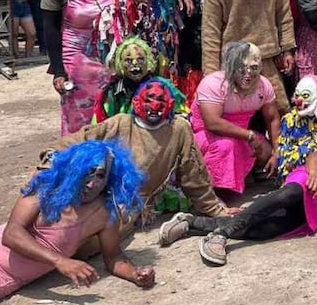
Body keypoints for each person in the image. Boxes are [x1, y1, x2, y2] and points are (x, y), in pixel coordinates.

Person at [167, 105, 317, 267]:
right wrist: (314, 173)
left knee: (269, 229)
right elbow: (316, 156)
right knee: (289, 194)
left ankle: (191, 224)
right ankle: (221, 235)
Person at [49, 78, 233, 244]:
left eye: (161, 101)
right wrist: (52, 154)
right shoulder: (121, 122)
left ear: (170, 104)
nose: (154, 106)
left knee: (89, 240)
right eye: (148, 100)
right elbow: (85, 136)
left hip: (130, 202)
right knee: (56, 215)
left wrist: (215, 209)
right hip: (96, 187)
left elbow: (193, 174)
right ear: (137, 102)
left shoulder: (178, 129)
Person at [0, 140, 154, 301]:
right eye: (87, 173)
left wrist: (135, 274)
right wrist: (60, 261)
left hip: (1, 274)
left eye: (100, 175)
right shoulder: (46, 186)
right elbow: (12, 233)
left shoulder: (104, 213)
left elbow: (114, 258)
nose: (92, 183)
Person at [41, 0, 137, 135]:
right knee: (78, 121)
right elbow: (49, 30)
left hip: (113, 61)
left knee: (114, 115)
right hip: (76, 63)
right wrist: (58, 71)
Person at [191, 42, 281, 197]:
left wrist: (277, 153)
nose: (248, 73)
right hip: (207, 134)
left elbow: (273, 118)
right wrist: (249, 136)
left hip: (241, 133)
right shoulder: (213, 84)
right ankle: (212, 193)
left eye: (253, 68)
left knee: (266, 152)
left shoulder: (263, 85)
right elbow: (212, 123)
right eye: (241, 68)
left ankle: (246, 174)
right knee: (227, 146)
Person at [274, 75, 317, 183]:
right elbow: (283, 149)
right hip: (294, 170)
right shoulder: (289, 120)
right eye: (297, 95)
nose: (299, 101)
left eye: (306, 95)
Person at [93, 37, 159, 122]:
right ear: (120, 64)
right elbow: (102, 122)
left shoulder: (159, 88)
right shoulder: (112, 91)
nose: (135, 63)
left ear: (148, 61)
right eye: (128, 60)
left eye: (140, 60)